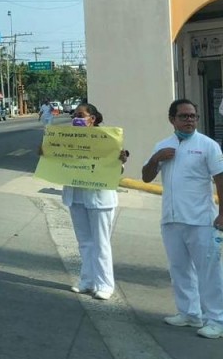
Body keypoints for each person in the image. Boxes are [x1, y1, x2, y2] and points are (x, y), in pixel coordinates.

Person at [142, 98, 223, 339]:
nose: (189, 120)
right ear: (172, 120)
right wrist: (156, 158)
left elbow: (220, 180)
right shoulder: (163, 145)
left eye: (192, 116)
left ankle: (217, 319)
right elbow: (146, 177)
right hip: (171, 219)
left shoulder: (208, 146)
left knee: (210, 272)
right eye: (184, 116)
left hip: (201, 220)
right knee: (179, 269)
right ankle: (189, 313)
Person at [60, 103, 128, 301]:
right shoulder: (68, 138)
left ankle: (105, 284)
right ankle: (87, 280)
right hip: (76, 195)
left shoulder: (107, 138)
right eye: (74, 115)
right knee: (84, 242)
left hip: (100, 197)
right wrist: (46, 152)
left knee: (101, 243)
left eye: (81, 115)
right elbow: (58, 160)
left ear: (93, 118)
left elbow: (117, 168)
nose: (76, 118)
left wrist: (120, 160)